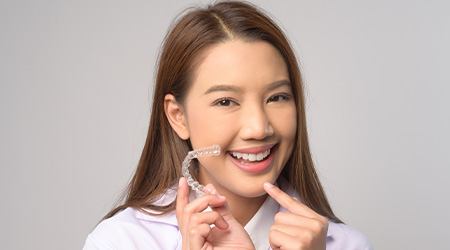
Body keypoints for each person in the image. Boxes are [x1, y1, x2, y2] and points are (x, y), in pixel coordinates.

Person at [83, 1, 372, 249]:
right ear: (177, 116)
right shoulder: (119, 241)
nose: (259, 128)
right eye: (226, 101)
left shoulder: (346, 245)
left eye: (277, 97)